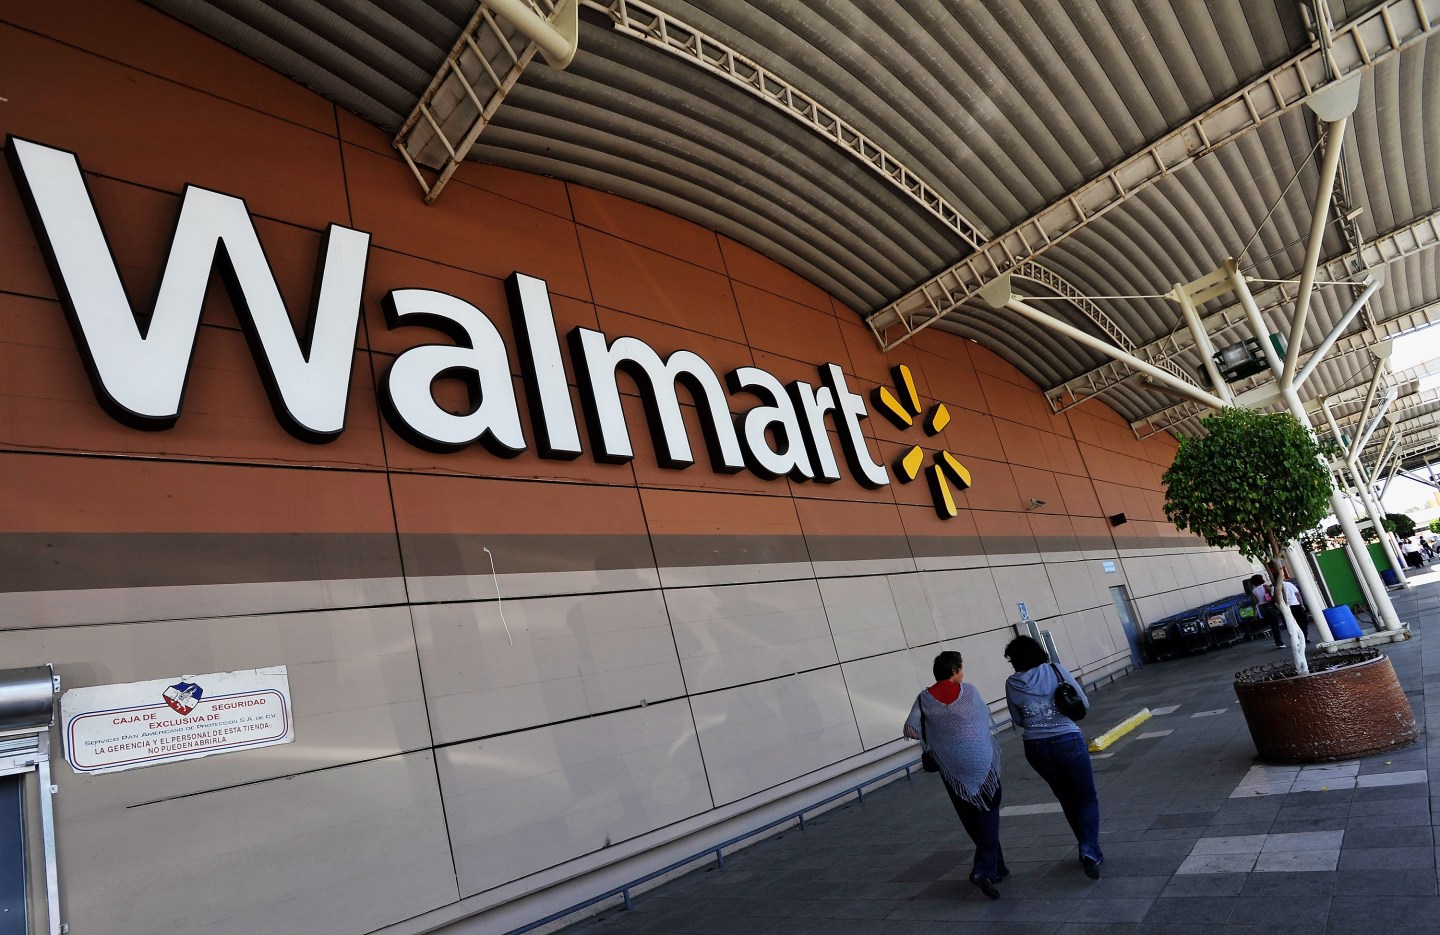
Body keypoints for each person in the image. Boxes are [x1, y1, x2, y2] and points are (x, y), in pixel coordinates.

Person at [903, 650, 1006, 898]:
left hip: (951, 766)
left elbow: (911, 730)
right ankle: (982, 870)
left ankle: (997, 868)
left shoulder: (924, 698)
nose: (963, 672)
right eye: (961, 668)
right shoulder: (968, 691)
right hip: (981, 760)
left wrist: (937, 737)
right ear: (954, 671)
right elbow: (982, 718)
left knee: (971, 816)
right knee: (990, 812)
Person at [1003, 636, 1103, 879]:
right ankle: (1089, 849)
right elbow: (1083, 703)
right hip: (1067, 740)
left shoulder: (1012, 683)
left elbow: (1018, 720)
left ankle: (1088, 848)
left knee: (1067, 798)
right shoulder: (1055, 670)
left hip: (1035, 747)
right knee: (1086, 797)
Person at [1249, 574, 1284, 648]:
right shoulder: (1265, 586)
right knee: (1277, 623)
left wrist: (1255, 613)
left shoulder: (1253, 591)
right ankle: (1280, 642)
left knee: (1273, 625)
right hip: (1270, 605)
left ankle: (1278, 642)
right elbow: (1271, 596)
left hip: (1262, 608)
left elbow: (1254, 602)